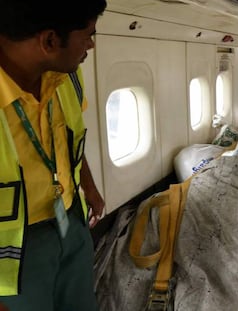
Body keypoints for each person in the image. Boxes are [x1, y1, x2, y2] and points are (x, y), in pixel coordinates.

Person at [0, 0, 107, 310]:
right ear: (49, 41)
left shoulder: (68, 76)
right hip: (14, 250)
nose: (91, 45)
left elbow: (68, 136)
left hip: (71, 219)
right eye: (87, 35)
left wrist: (89, 187)